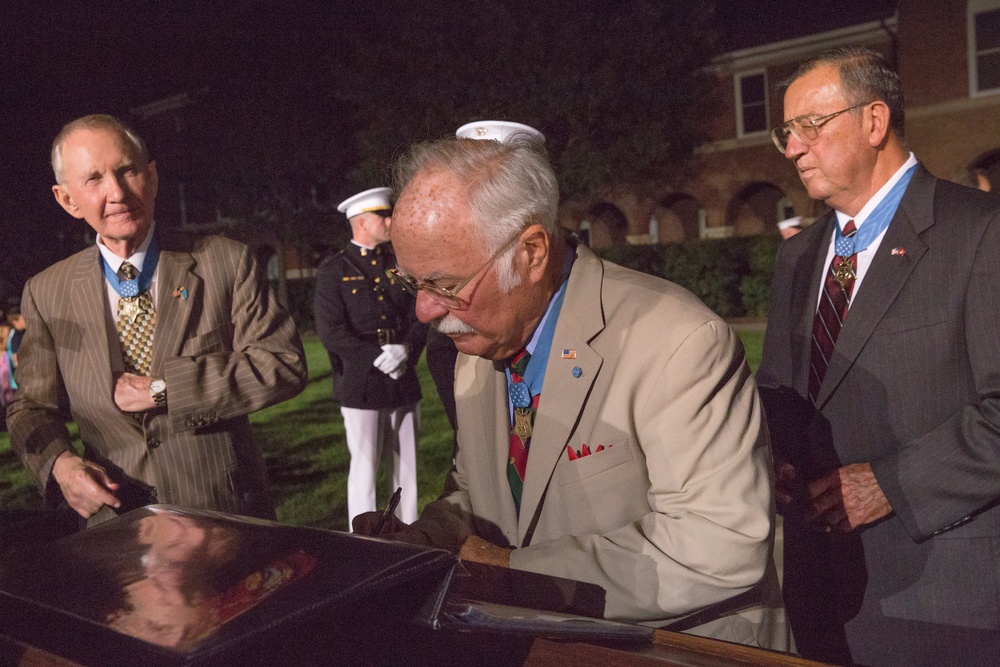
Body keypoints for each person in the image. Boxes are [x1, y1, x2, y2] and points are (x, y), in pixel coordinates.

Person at [353, 128, 788, 648]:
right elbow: (478, 496)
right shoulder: (481, 344)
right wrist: (417, 542)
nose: (425, 311)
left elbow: (720, 543)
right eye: (413, 283)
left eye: (444, 285)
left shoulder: (677, 341)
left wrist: (517, 572)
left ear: (532, 252)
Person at [757, 47, 1000, 665]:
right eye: (786, 131)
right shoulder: (798, 255)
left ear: (874, 121)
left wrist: (891, 484)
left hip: (943, 596)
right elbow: (781, 390)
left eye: (811, 125)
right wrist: (778, 456)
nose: (793, 148)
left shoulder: (979, 231)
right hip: (818, 590)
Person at [7, 114, 307, 527]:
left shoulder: (224, 261)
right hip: (116, 528)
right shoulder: (47, 292)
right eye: (93, 179)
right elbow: (30, 407)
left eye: (127, 169)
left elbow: (282, 364)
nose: (117, 192)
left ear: (152, 175)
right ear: (67, 200)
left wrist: (165, 390)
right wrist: (60, 465)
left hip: (223, 519)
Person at [313, 187, 425, 528]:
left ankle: (409, 534)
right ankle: (361, 536)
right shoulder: (334, 271)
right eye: (383, 216)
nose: (391, 221)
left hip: (402, 378)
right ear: (361, 222)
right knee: (364, 469)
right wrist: (378, 356)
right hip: (362, 383)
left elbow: (420, 314)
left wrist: (405, 350)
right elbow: (331, 332)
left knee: (407, 468)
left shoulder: (400, 265)